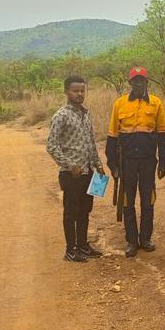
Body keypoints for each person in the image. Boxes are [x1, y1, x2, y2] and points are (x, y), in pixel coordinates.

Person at [105, 66, 165, 258]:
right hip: (127, 162)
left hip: (149, 161)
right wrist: (113, 165)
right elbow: (112, 137)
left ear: (147, 82)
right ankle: (132, 241)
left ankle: (146, 239)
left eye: (142, 80)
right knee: (127, 202)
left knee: (148, 200)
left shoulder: (156, 103)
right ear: (130, 83)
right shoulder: (119, 104)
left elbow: (163, 135)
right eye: (135, 80)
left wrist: (163, 162)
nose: (139, 83)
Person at [46, 75, 105, 263]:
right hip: (70, 174)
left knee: (85, 210)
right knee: (71, 211)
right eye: (75, 90)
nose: (79, 94)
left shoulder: (85, 114)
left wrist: (98, 165)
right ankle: (70, 250)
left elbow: (90, 143)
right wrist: (70, 165)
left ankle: (82, 245)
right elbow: (51, 145)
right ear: (66, 92)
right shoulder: (61, 116)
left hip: (88, 172)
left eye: (82, 90)